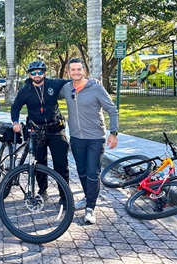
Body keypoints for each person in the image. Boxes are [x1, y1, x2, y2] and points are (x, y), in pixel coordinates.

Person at [59, 58, 119, 224]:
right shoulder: (66, 88)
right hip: (77, 138)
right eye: (73, 70)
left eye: (79, 69)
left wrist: (113, 133)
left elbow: (112, 111)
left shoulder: (96, 88)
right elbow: (51, 91)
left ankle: (90, 208)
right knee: (82, 171)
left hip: (95, 138)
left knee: (93, 173)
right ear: (68, 72)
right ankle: (87, 198)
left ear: (84, 70)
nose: (76, 72)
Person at [11, 60, 70, 204]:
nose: (36, 75)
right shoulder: (25, 90)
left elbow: (73, 80)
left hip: (55, 128)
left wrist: (91, 81)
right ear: (29, 75)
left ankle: (64, 195)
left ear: (44, 73)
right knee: (39, 164)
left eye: (39, 72)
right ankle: (42, 191)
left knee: (61, 164)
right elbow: (15, 107)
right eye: (33, 73)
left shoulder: (53, 84)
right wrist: (15, 122)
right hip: (36, 130)